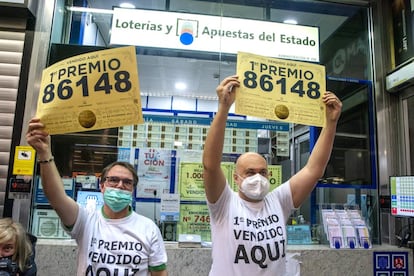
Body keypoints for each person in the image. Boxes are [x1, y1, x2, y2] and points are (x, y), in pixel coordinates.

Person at [202, 75, 342, 275]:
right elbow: (210, 166)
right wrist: (224, 108)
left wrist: (330, 124)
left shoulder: (278, 201)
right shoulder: (223, 204)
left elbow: (314, 169)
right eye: (249, 172)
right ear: (236, 178)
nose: (257, 178)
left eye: (262, 172)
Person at [26, 118, 167, 276]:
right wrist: (44, 153)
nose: (120, 185)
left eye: (127, 182)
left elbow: (160, 273)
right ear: (102, 186)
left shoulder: (149, 229)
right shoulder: (85, 221)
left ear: (132, 190)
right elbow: (56, 197)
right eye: (113, 180)